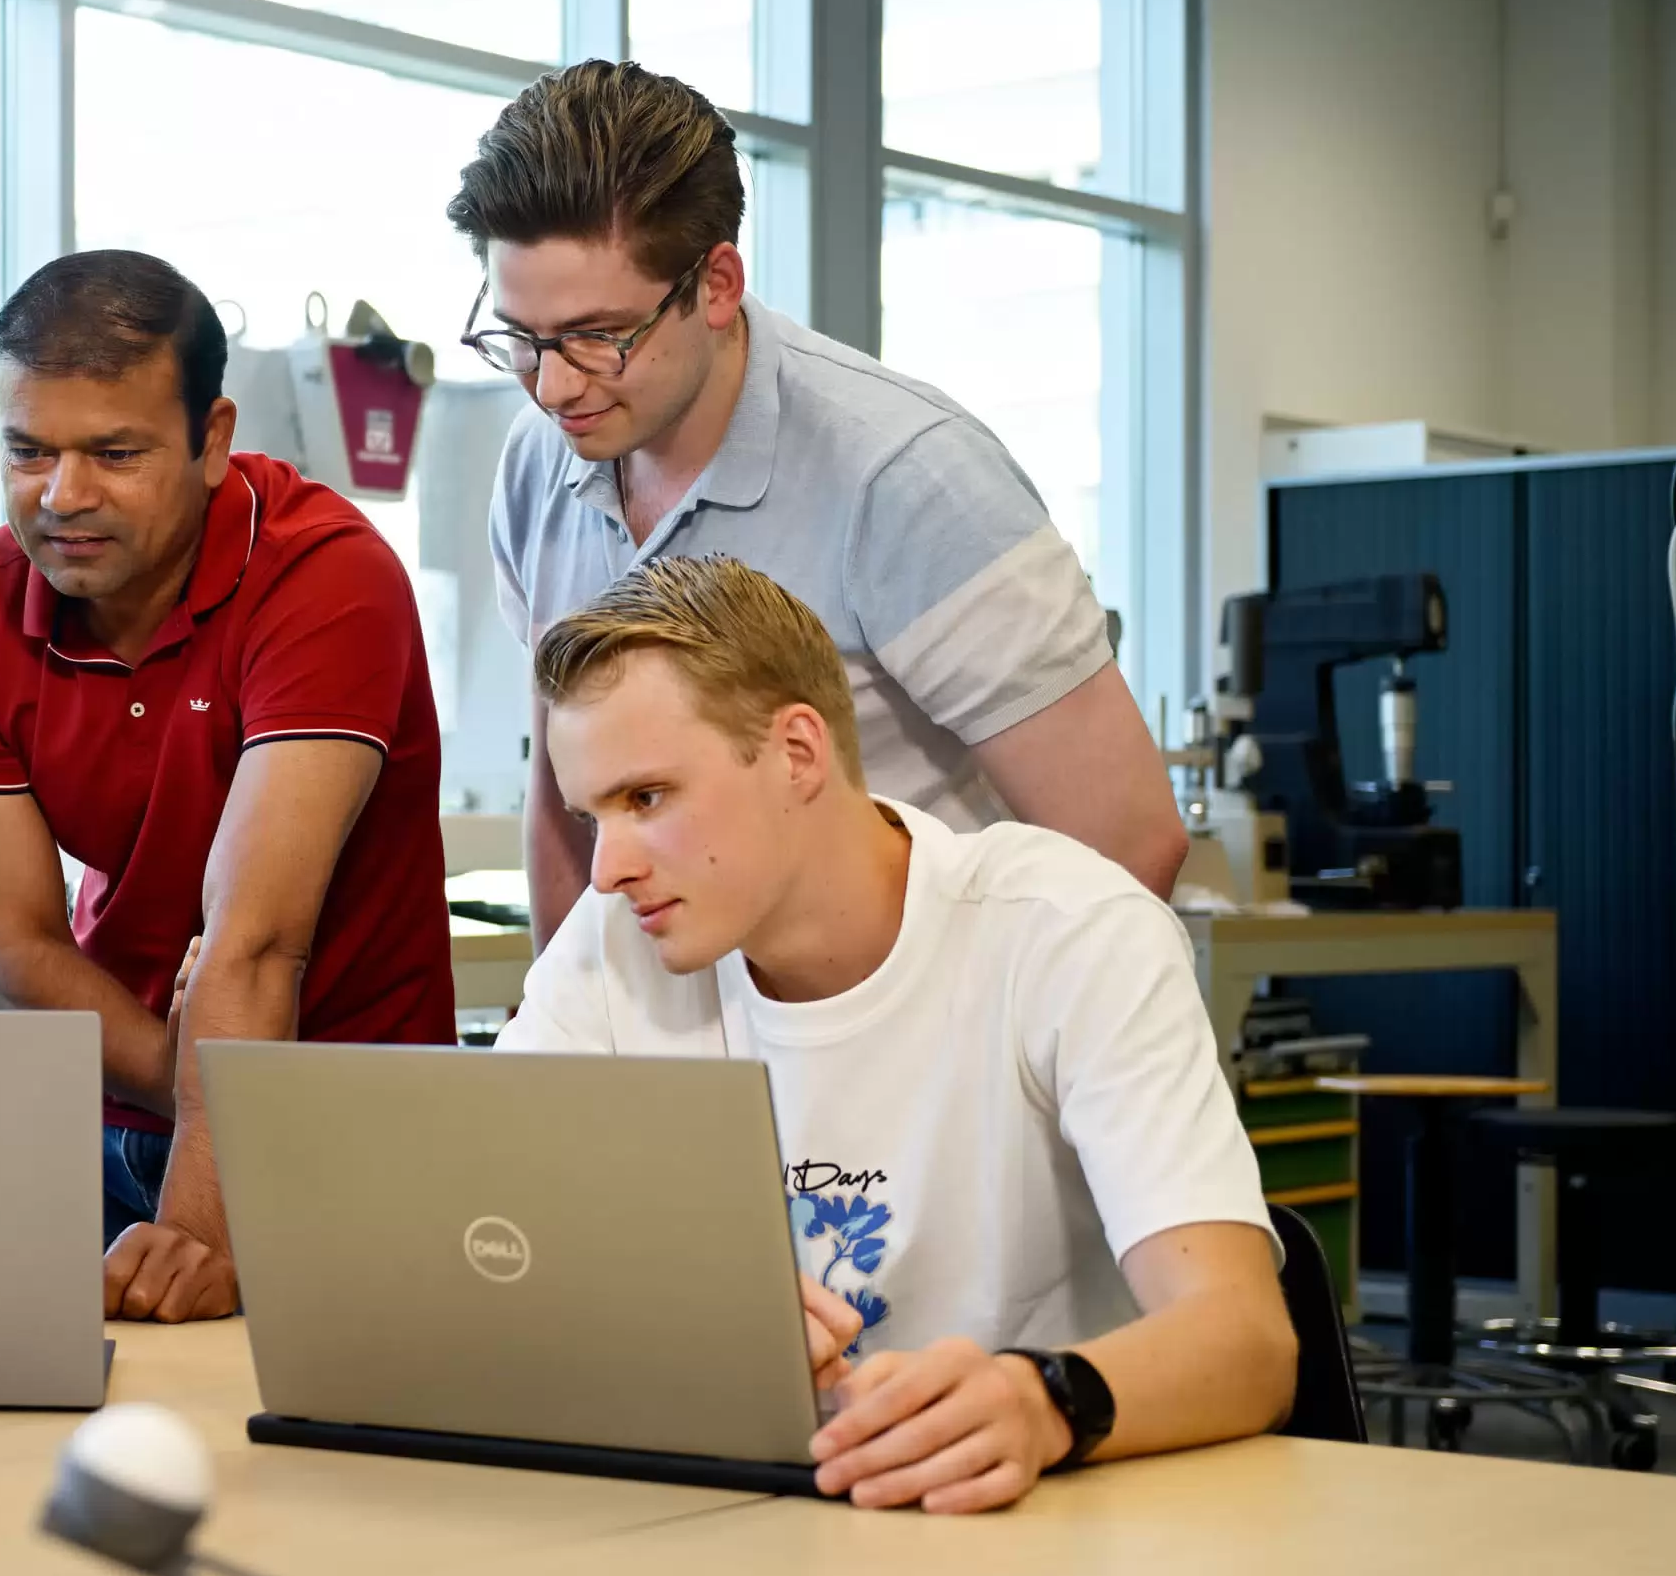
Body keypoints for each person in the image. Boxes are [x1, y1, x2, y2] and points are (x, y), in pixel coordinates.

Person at [503, 553, 1295, 1513]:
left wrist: (1042, 1398)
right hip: (744, 1520)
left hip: (1031, 1533)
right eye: (592, 817)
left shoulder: (1069, 932)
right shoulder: (608, 949)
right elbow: (492, 1259)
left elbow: (1246, 1340)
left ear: (798, 753)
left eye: (647, 799)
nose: (605, 871)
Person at [454, 59, 1189, 948]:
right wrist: (571, 1050)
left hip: (910, 1044)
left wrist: (931, 1063)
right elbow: (567, 811)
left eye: (601, 338)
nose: (554, 386)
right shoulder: (541, 465)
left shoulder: (906, 477)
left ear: (716, 286)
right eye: (522, 340)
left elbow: (1128, 847)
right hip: (693, 1053)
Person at [0, 249, 454, 1327]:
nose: (63, 497)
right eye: (27, 450)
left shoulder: (326, 576)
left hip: (349, 1131)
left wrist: (200, 1232)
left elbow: (254, 941)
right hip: (126, 1111)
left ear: (212, 440)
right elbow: (16, 945)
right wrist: (188, 1085)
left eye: (116, 452)